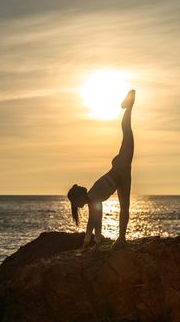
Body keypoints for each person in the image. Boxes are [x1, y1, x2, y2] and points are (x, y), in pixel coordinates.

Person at [67, 89, 135, 250]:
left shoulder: (94, 196)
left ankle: (130, 103)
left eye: (75, 202)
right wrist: (88, 243)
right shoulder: (92, 199)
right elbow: (94, 221)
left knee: (126, 131)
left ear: (80, 197)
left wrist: (93, 244)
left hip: (121, 166)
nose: (76, 206)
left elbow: (96, 221)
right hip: (122, 177)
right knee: (125, 206)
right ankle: (122, 239)